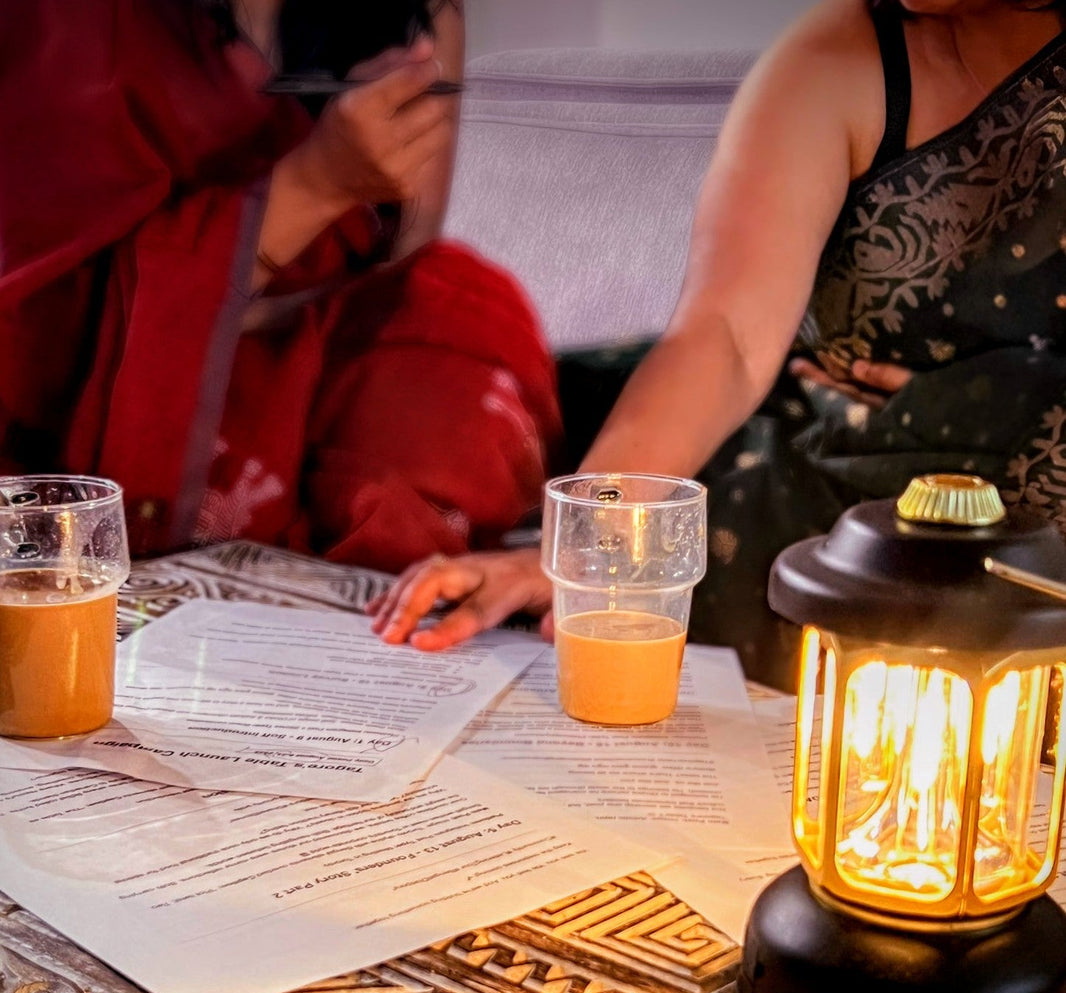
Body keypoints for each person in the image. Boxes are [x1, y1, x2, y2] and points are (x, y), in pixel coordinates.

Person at [368, 0, 1066, 690]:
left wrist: (1002, 401)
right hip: (836, 512)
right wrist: (587, 554)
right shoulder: (844, 55)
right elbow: (725, 336)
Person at [0, 0, 562, 569]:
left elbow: (400, 253)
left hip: (330, 328)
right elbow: (44, 301)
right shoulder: (63, 22)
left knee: (449, 354)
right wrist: (315, 185)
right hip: (123, 362)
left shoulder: (423, 12)